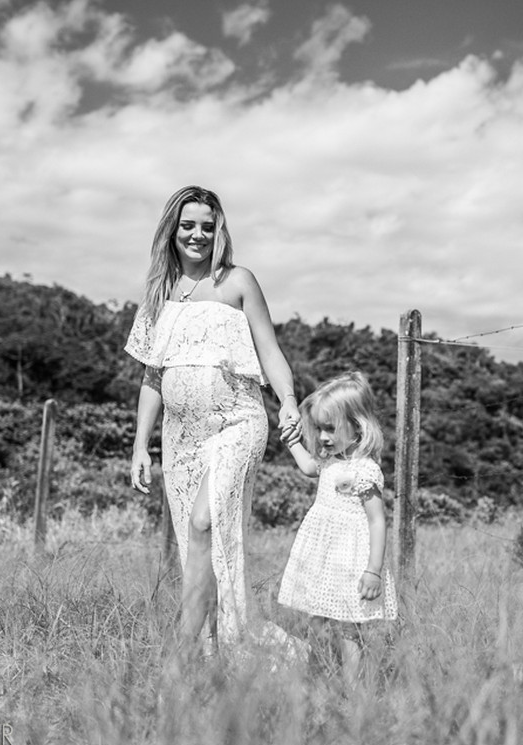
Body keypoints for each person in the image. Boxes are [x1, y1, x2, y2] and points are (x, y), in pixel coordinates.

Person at [126, 185, 300, 656]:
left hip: (237, 422)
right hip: (180, 439)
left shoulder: (237, 281)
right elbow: (152, 376)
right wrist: (141, 445)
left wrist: (287, 399)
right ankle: (215, 654)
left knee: (204, 524)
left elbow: (269, 350)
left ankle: (181, 650)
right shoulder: (158, 295)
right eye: (188, 226)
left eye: (208, 226)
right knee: (197, 548)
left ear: (219, 230)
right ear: (172, 230)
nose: (198, 235)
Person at [278, 371, 398, 684]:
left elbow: (377, 520)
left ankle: (352, 689)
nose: (322, 437)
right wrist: (292, 441)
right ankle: (318, 676)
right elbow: (308, 467)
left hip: (349, 560)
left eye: (330, 428)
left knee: (348, 628)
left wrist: (373, 570)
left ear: (358, 426)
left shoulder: (365, 469)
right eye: (319, 428)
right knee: (315, 617)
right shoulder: (330, 461)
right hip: (323, 559)